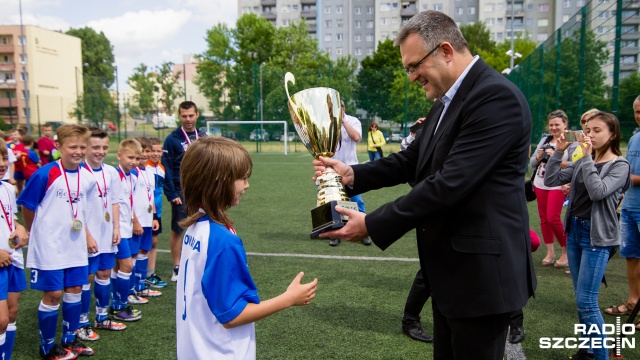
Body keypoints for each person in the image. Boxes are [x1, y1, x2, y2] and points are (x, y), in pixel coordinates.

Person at [311, 11, 535, 359]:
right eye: (407, 68)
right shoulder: (446, 101)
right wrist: (352, 174)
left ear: (446, 50)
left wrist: (372, 223)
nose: (412, 76)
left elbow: (450, 184)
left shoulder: (494, 97)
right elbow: (411, 160)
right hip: (451, 275)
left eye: (415, 65)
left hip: (482, 279)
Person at [176, 136, 318, 359]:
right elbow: (232, 316)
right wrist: (289, 298)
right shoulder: (222, 241)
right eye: (241, 178)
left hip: (195, 349)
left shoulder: (194, 228)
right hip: (220, 352)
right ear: (219, 180)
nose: (247, 185)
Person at [545, 111, 630, 360]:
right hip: (575, 231)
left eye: (597, 131)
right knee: (580, 298)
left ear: (612, 134)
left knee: (587, 302)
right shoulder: (586, 159)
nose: (590, 135)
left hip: (597, 238)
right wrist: (559, 151)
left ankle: (600, 355)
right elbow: (551, 178)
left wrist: (585, 158)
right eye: (588, 130)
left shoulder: (619, 166)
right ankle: (588, 350)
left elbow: (597, 191)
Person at [17, 124, 96, 359]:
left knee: (75, 290)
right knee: (53, 295)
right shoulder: (45, 174)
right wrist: (35, 231)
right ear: (59, 146)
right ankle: (48, 347)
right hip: (49, 246)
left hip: (75, 245)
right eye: (73, 147)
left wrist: (88, 235)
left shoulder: (86, 177)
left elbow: (81, 211)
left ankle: (69, 341)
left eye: (83, 146)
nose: (78, 151)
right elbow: (27, 207)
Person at [76, 128, 127, 342]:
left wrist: (116, 228)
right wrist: (87, 236)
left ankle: (102, 317)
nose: (100, 151)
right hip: (86, 236)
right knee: (86, 278)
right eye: (95, 147)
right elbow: (76, 209)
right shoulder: (79, 173)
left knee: (105, 274)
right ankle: (81, 322)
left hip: (107, 233)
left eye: (105, 147)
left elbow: (114, 201)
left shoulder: (111, 172)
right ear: (86, 147)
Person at [162, 101, 206, 282]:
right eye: (184, 116)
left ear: (197, 115)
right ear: (179, 117)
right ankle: (177, 266)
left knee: (201, 225)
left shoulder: (203, 137)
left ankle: (198, 262)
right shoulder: (172, 139)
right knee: (178, 228)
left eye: (191, 115)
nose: (188, 119)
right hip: (181, 190)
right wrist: (171, 194)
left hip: (201, 189)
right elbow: (167, 168)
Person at [397, 118, 433, 343]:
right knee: (429, 272)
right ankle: (410, 320)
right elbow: (406, 163)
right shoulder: (424, 133)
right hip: (432, 212)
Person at [605, 97, 640, 319]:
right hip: (630, 207)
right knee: (631, 256)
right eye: (636, 111)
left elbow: (631, 175)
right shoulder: (635, 138)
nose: (639, 115)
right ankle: (634, 301)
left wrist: (627, 178)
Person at [0, 138, 29, 360]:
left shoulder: (8, 188)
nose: (2, 163)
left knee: (11, 313)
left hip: (13, 259)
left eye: (4, 158)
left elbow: (11, 219)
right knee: (0, 320)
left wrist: (20, 229)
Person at [530, 110, 570, 268]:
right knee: (544, 219)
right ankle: (550, 252)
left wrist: (555, 155)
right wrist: (539, 156)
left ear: (565, 124)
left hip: (558, 184)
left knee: (553, 218)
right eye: (551, 124)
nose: (553, 128)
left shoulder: (570, 141)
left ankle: (566, 252)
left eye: (557, 124)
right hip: (540, 183)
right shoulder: (544, 140)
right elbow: (532, 163)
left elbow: (575, 164)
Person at [329, 101, 371, 247]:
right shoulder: (327, 122)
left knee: (356, 200)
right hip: (332, 168)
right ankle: (335, 232)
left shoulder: (353, 120)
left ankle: (365, 231)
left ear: (344, 108)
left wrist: (343, 121)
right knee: (333, 202)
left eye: (339, 107)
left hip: (351, 168)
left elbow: (356, 137)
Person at [111, 139, 143, 322]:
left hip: (126, 227)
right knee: (127, 265)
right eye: (130, 157)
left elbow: (128, 204)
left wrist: (133, 220)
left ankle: (116, 303)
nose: (134, 161)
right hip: (117, 229)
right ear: (119, 155)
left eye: (137, 158)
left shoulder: (133, 176)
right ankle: (120, 305)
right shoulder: (113, 176)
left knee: (119, 267)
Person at [131, 138, 161, 299]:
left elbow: (151, 198)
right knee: (133, 255)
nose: (145, 154)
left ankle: (140, 285)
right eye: (141, 151)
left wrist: (154, 217)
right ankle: (130, 290)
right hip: (136, 222)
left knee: (144, 251)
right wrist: (134, 220)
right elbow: (127, 201)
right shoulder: (131, 173)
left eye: (147, 151)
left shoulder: (149, 172)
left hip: (148, 219)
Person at [144, 138, 167, 288]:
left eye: (159, 151)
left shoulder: (162, 168)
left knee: (154, 242)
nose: (156, 153)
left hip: (157, 212)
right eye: (152, 150)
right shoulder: (144, 168)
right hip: (145, 211)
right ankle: (141, 274)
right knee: (144, 243)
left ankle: (150, 273)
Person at [7, 129, 24, 197]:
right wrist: (15, 157)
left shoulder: (23, 145)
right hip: (13, 170)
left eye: (15, 134)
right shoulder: (8, 146)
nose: (14, 136)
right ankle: (15, 199)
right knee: (14, 185)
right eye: (12, 135)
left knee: (21, 185)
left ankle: (20, 199)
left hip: (22, 168)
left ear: (19, 135)